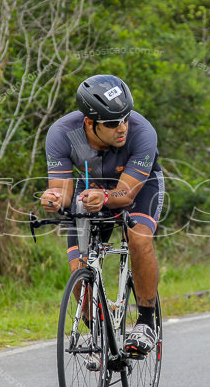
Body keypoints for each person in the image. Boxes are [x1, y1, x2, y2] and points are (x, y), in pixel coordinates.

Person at [40, 74, 164, 357]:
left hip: (138, 186)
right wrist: (54, 200)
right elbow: (62, 194)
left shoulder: (142, 132)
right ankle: (98, 331)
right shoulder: (62, 134)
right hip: (91, 187)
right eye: (111, 123)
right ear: (89, 122)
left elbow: (127, 196)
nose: (121, 127)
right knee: (78, 267)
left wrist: (106, 199)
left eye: (125, 118)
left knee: (138, 237)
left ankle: (146, 322)